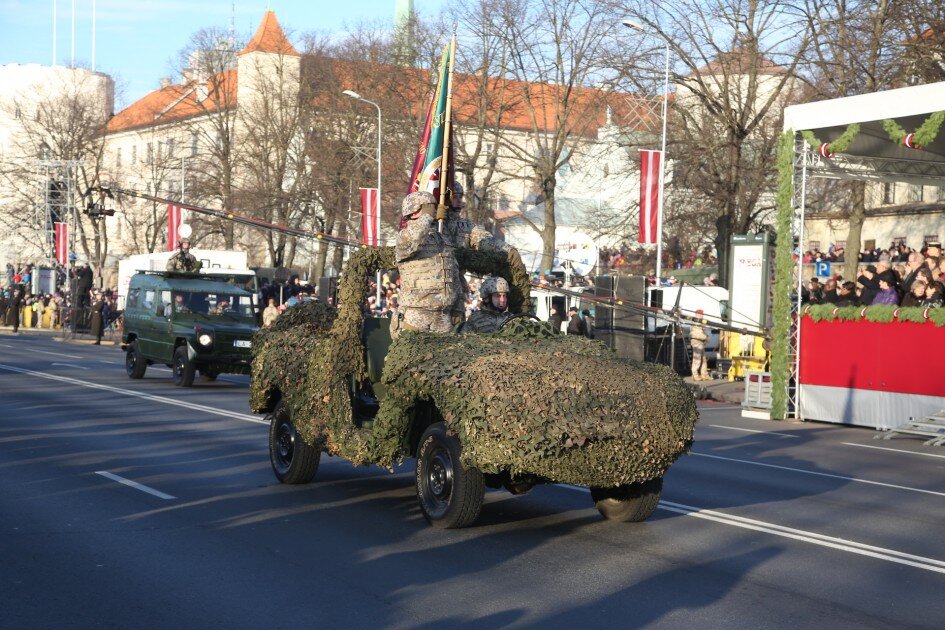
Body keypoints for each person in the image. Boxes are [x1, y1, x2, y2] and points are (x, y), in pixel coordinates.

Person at [394, 191, 460, 335]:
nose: (434, 210)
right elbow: (410, 243)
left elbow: (453, 273)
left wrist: (457, 308)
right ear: (415, 210)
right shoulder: (406, 235)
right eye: (430, 206)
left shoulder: (442, 239)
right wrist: (427, 217)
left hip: (442, 317)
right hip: (416, 315)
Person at [690, 308, 710, 381]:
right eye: (701, 314)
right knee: (697, 359)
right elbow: (698, 334)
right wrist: (706, 338)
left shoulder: (700, 322)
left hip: (700, 342)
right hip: (697, 342)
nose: (702, 315)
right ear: (698, 314)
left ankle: (704, 374)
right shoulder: (696, 322)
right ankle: (695, 375)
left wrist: (706, 337)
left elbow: (703, 332)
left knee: (703, 360)